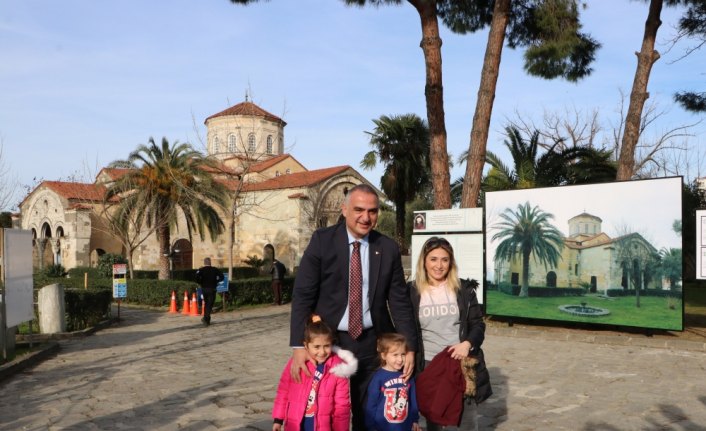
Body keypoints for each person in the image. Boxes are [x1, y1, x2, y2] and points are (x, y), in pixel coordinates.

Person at [290, 183, 418, 430]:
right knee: (326, 411)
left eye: (372, 211)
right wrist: (298, 345)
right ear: (344, 209)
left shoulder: (387, 247)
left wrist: (409, 347)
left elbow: (400, 300)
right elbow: (303, 294)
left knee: (369, 411)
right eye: (359, 209)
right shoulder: (322, 241)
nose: (365, 217)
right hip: (330, 343)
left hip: (373, 343)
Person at [409, 237, 491, 431]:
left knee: (465, 423)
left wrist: (467, 344)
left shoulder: (463, 290)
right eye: (433, 259)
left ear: (451, 262)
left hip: (459, 363)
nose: (439, 265)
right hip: (428, 364)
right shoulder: (411, 291)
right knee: (434, 421)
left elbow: (478, 324)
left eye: (445, 259)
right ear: (424, 261)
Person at [272, 315, 357, 431]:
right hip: (295, 425)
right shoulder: (297, 363)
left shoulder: (339, 369)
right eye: (316, 347)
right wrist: (278, 419)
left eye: (326, 346)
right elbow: (283, 391)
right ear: (306, 345)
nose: (322, 352)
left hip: (323, 426)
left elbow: (342, 405)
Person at [365, 333, 420, 431]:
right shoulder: (378, 378)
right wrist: (371, 427)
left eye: (403, 354)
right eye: (395, 355)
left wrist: (415, 420)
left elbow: (413, 400)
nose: (400, 359)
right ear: (384, 356)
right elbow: (371, 405)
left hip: (405, 427)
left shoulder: (407, 375)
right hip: (382, 427)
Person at [195, 257, 224, 327]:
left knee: (207, 304)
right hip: (212, 289)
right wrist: (217, 281)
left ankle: (207, 320)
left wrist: (200, 282)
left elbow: (196, 277)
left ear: (204, 263)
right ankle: (206, 319)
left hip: (204, 289)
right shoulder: (215, 269)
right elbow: (222, 277)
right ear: (210, 262)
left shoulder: (201, 270)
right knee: (209, 304)